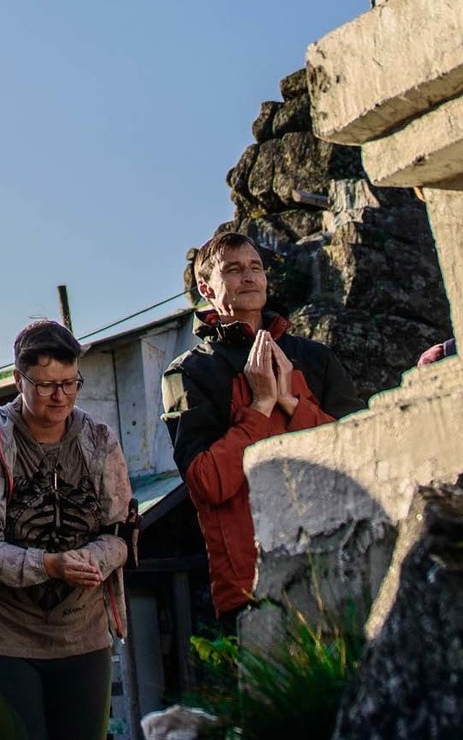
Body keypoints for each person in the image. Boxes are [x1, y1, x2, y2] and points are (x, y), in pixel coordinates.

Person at [0, 321, 131, 740]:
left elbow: (121, 533)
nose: (60, 396)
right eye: (44, 386)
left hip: (82, 631)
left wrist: (90, 560)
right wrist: (49, 565)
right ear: (17, 380)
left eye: (69, 383)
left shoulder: (99, 440)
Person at [159, 231, 358, 628]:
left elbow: (360, 452)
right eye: (233, 270)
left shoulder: (315, 358)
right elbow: (206, 483)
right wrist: (261, 407)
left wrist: (292, 405)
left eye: (256, 268)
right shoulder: (189, 373)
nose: (249, 277)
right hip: (252, 584)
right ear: (207, 288)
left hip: (341, 560)